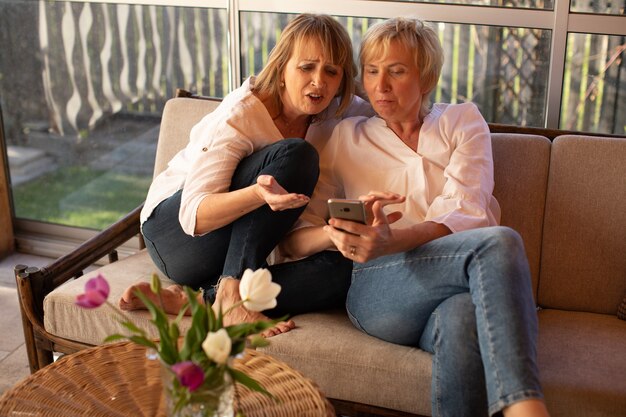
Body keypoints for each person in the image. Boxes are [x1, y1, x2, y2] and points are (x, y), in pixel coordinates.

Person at [280, 17, 550, 417]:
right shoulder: (342, 136)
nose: (380, 86)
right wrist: (338, 235)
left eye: (396, 71)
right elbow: (294, 238)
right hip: (378, 289)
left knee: (462, 321)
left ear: (425, 77)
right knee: (502, 241)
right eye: (371, 72)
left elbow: (470, 211)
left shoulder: (462, 122)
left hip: (452, 286)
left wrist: (396, 238)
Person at [119, 13, 373, 337]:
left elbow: (384, 104)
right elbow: (193, 217)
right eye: (306, 67)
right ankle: (231, 294)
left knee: (345, 269)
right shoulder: (242, 115)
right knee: (297, 156)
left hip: (230, 252)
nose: (319, 81)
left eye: (331, 71)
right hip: (175, 237)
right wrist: (256, 195)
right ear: (282, 68)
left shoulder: (333, 110)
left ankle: (200, 300)